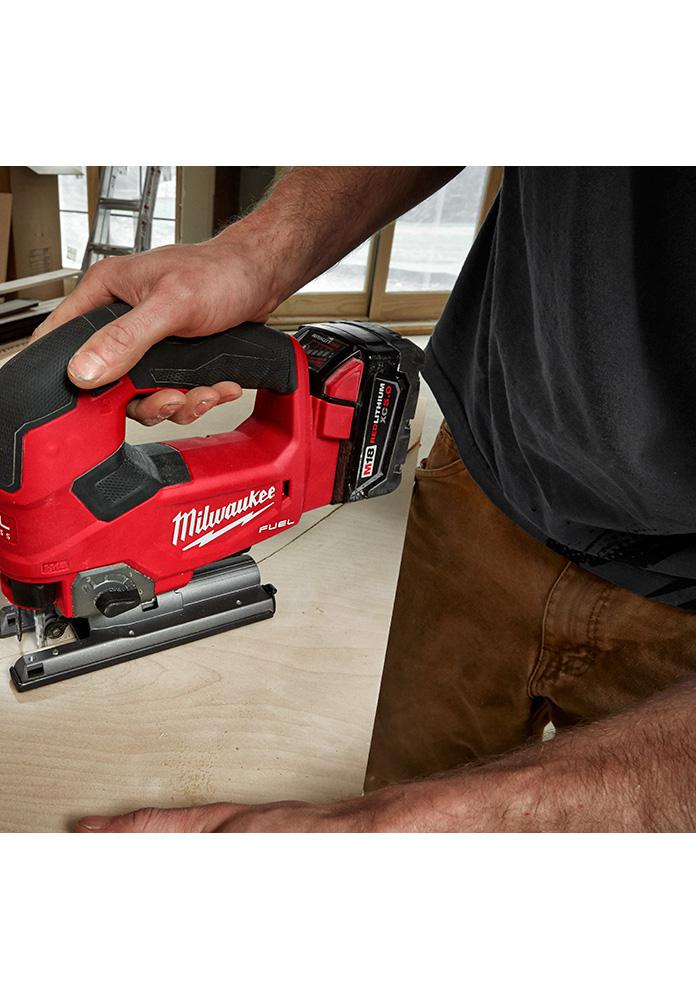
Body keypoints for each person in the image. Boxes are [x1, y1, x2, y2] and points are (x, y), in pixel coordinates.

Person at [34, 167, 696, 832]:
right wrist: (258, 254)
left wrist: (392, 826)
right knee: (412, 761)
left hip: (680, 602)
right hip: (490, 456)